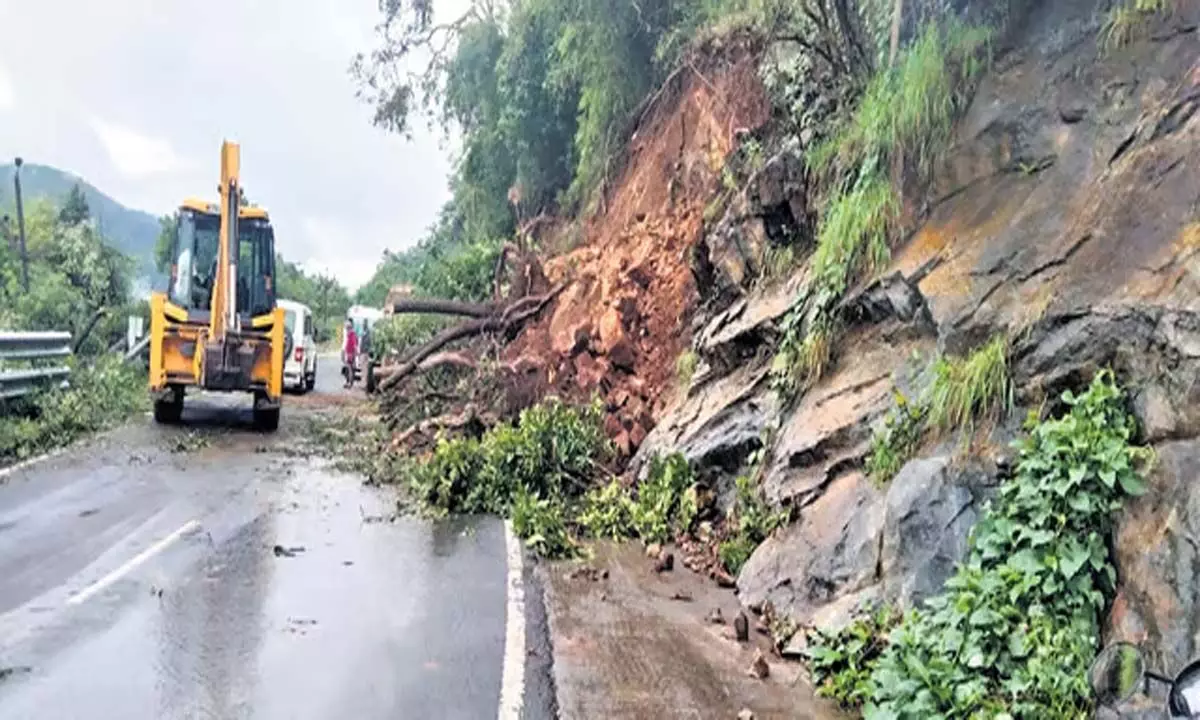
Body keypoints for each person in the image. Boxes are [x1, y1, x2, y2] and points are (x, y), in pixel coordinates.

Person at [341, 319, 358, 389]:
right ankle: (349, 382)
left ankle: (350, 383)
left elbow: (354, 345)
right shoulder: (349, 335)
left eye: (347, 328)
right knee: (349, 368)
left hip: (350, 353)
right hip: (348, 353)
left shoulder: (352, 334)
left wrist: (354, 353)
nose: (346, 329)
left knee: (350, 368)